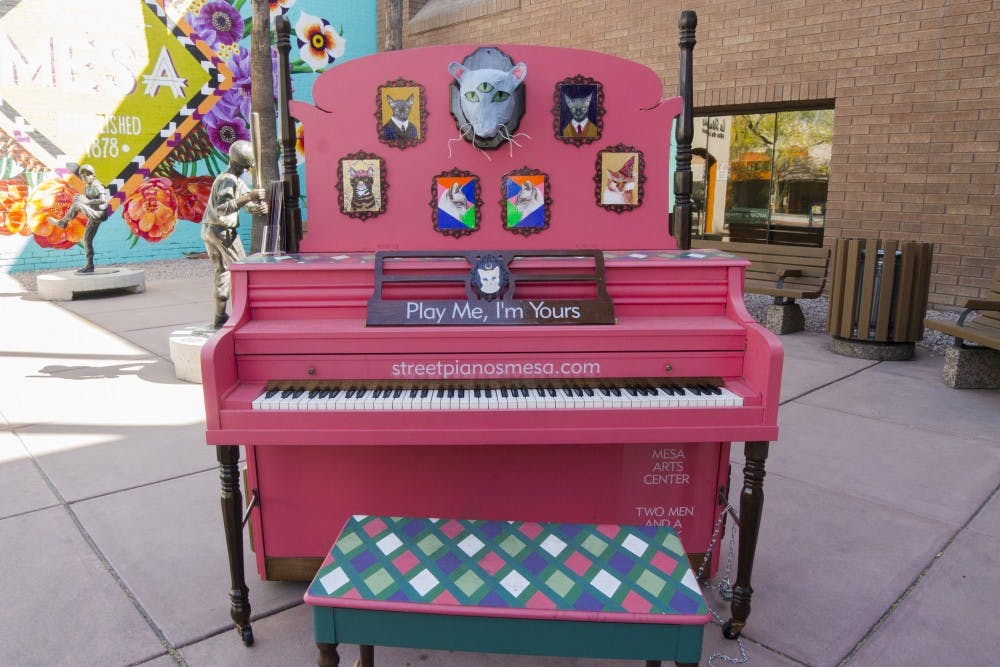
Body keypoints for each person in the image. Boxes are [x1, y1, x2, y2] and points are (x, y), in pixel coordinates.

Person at [201, 140, 267, 328]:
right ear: (246, 166)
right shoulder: (228, 180)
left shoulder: (231, 179)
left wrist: (258, 207)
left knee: (223, 272)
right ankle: (242, 314)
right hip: (222, 231)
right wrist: (250, 196)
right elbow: (223, 208)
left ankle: (220, 317)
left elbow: (247, 205)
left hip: (209, 229)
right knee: (241, 271)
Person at [50, 164, 110, 274]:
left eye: (88, 175)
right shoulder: (87, 186)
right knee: (87, 240)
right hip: (92, 213)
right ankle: (89, 265)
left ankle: (63, 223)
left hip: (99, 213)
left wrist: (86, 201)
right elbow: (87, 199)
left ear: (93, 175)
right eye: (83, 175)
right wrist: (81, 198)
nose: (85, 177)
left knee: (77, 205)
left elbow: (103, 201)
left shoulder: (97, 186)